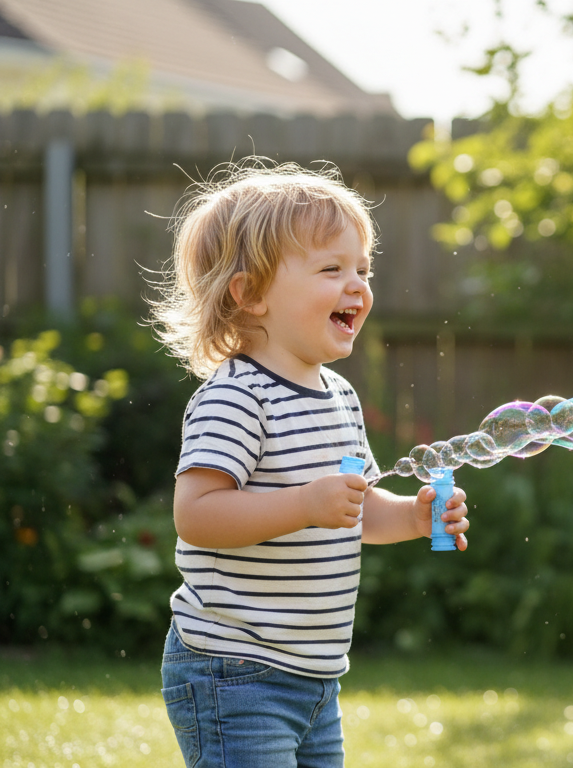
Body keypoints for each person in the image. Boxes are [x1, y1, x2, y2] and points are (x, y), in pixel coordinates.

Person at [149, 160, 468, 767]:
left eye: (362, 270)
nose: (358, 286)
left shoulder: (339, 396)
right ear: (251, 295)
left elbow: (356, 506)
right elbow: (197, 514)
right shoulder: (236, 396)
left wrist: (413, 516)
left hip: (316, 675)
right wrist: (303, 504)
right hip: (233, 666)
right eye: (332, 269)